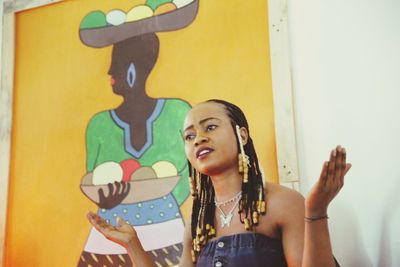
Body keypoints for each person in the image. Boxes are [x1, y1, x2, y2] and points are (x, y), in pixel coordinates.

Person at [87, 99, 352, 267]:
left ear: (242, 135)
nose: (198, 139)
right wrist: (133, 245)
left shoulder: (283, 203)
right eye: (189, 136)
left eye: (210, 127)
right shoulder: (198, 220)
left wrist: (315, 213)